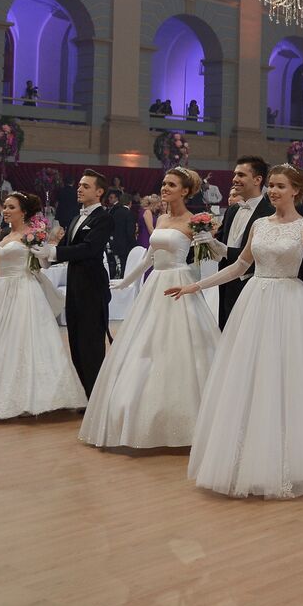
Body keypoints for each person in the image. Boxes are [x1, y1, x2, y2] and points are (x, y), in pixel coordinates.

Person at [166, 164, 303, 497]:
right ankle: (246, 455)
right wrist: (197, 286)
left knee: (289, 377)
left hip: (289, 303)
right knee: (249, 375)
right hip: (255, 299)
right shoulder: (259, 224)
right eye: (270, 185)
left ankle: (295, 457)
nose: (273, 191)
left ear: (295, 190)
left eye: (280, 186)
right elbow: (239, 266)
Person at [80, 168, 223, 449]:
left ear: (185, 190)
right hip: (155, 284)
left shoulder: (195, 221)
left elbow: (215, 255)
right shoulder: (161, 217)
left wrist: (209, 240)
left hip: (180, 284)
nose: (165, 188)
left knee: (182, 347)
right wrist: (125, 282)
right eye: (164, 183)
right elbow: (149, 258)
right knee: (145, 346)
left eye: (171, 184)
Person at [0, 192, 86, 420]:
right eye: (5, 207)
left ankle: (38, 395)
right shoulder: (5, 236)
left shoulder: (32, 235)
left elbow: (41, 266)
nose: (6, 211)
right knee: (1, 344)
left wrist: (42, 252)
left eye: (11, 207)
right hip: (3, 293)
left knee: (27, 342)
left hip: (25, 291)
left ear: (23, 211)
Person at [51, 170, 114, 395]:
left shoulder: (104, 217)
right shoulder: (77, 218)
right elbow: (65, 247)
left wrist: (54, 252)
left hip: (92, 286)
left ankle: (97, 396)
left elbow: (89, 249)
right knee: (76, 340)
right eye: (79, 185)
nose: (79, 189)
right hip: (74, 284)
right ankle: (84, 392)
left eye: (86, 186)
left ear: (99, 192)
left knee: (91, 343)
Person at [213, 156, 274, 328]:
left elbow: (261, 256)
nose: (234, 179)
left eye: (241, 175)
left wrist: (225, 251)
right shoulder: (232, 210)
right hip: (226, 284)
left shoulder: (270, 214)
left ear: (257, 180)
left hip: (251, 284)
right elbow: (221, 241)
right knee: (226, 332)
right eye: (234, 174)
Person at [103, 190, 137, 279]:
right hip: (126, 245)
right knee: (126, 267)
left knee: (118, 265)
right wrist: (134, 245)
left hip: (115, 243)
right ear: (130, 203)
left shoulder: (115, 212)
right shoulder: (129, 213)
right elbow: (130, 232)